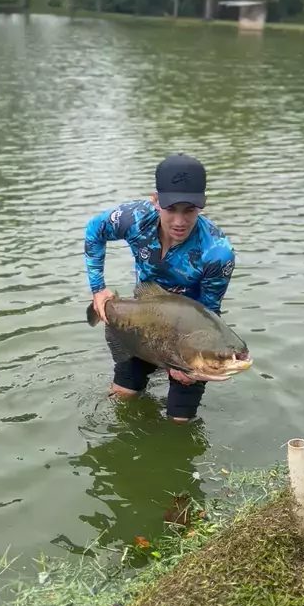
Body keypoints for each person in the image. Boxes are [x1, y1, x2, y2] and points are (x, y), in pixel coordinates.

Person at [84, 153, 236, 422]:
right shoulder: (134, 218)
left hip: (186, 330)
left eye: (189, 210)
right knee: (123, 394)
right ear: (155, 201)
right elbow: (94, 230)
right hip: (145, 317)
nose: (179, 221)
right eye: (171, 209)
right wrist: (98, 289)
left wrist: (185, 366)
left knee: (180, 421)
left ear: (202, 204)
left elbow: (208, 313)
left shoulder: (218, 253)